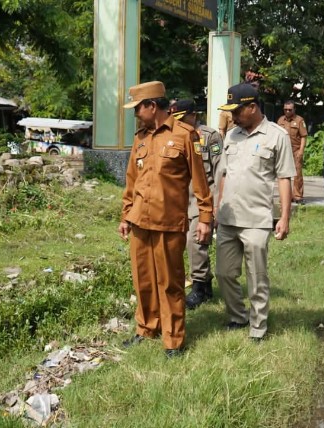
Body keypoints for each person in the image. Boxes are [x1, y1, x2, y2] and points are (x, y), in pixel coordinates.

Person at [118, 81, 213, 358]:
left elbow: (200, 181)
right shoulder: (141, 137)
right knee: (143, 279)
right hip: (139, 220)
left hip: (169, 222)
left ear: (151, 106)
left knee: (170, 283)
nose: (135, 114)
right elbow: (132, 180)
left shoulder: (185, 135)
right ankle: (147, 327)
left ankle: (173, 339)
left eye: (137, 108)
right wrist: (125, 215)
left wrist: (205, 217)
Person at [215, 83, 296, 341]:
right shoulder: (232, 136)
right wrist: (218, 207)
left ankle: (258, 327)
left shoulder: (277, 136)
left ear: (252, 107)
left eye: (236, 111)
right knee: (224, 273)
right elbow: (224, 174)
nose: (233, 116)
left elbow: (284, 178)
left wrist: (284, 217)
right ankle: (238, 316)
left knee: (256, 276)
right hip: (228, 218)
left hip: (257, 219)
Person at [170, 99, 223, 309]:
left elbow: (219, 171)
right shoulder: (174, 136)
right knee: (184, 244)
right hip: (180, 200)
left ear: (193, 115)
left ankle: (199, 287)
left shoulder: (209, 136)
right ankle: (206, 286)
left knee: (196, 242)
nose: (179, 122)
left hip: (202, 201)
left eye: (182, 118)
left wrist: (217, 205)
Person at [277, 100, 308, 204]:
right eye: (285, 109)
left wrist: (301, 151)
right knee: (283, 174)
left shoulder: (299, 120)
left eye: (290, 109)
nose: (287, 111)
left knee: (297, 174)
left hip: (295, 150)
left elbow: (303, 136)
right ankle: (286, 196)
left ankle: (298, 196)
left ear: (294, 109)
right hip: (283, 150)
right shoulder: (280, 120)